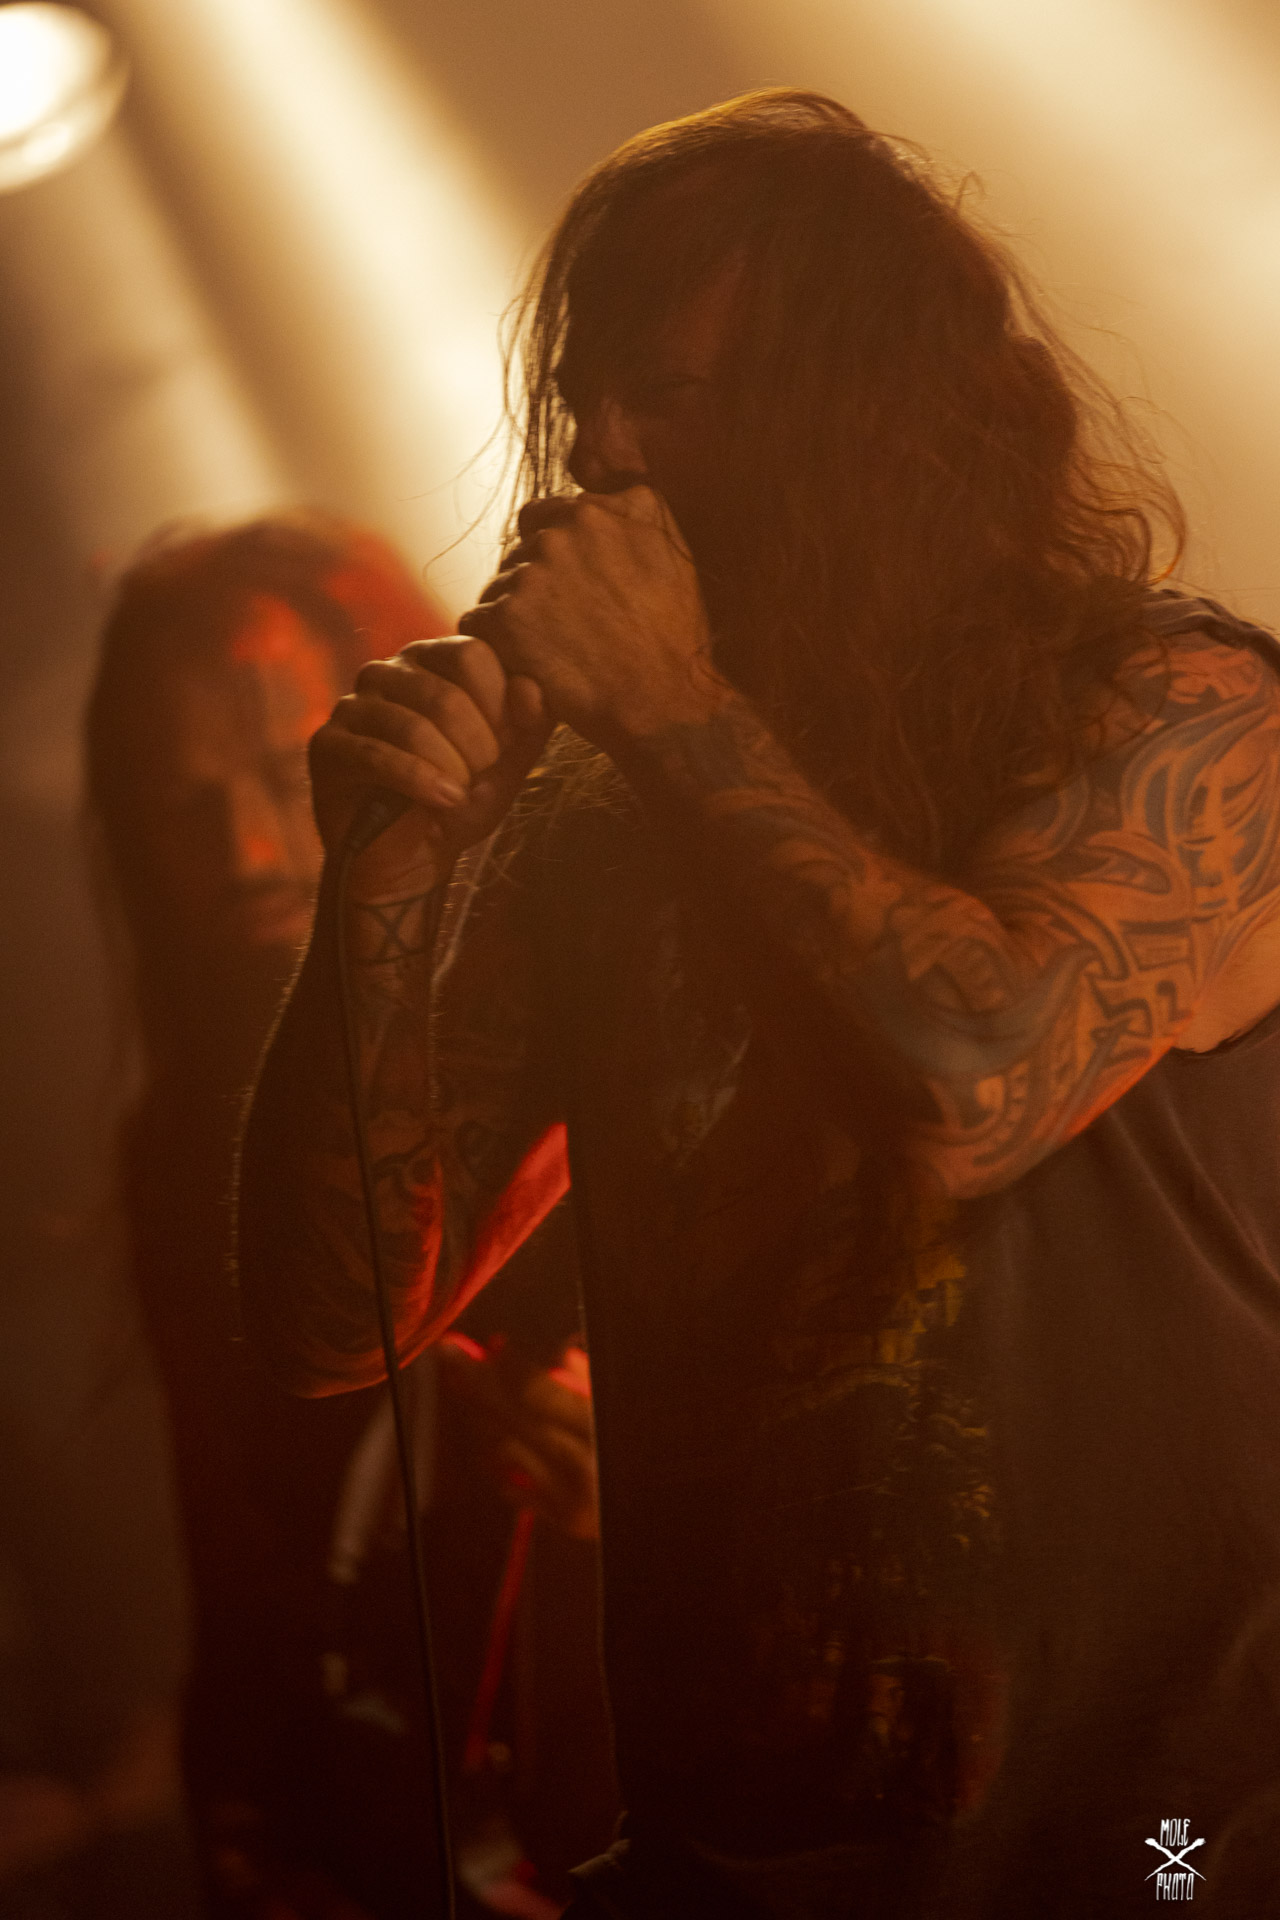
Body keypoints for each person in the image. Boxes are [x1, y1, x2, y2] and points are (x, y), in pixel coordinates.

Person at [236, 91, 1280, 1918]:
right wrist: (385, 881)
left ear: (879, 414)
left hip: (1162, 1845)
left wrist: (669, 703)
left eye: (671, 392)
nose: (601, 453)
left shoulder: (1182, 712)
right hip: (734, 1864)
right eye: (586, 400)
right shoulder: (600, 821)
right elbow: (334, 1323)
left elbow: (973, 1084)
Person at [87, 514, 611, 1916]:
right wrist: (246, 1801)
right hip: (356, 1821)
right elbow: (236, 1540)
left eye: (286, 774)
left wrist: (637, 1474)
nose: (251, 849)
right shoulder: (177, 1132)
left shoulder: (574, 1019)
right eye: (182, 805)